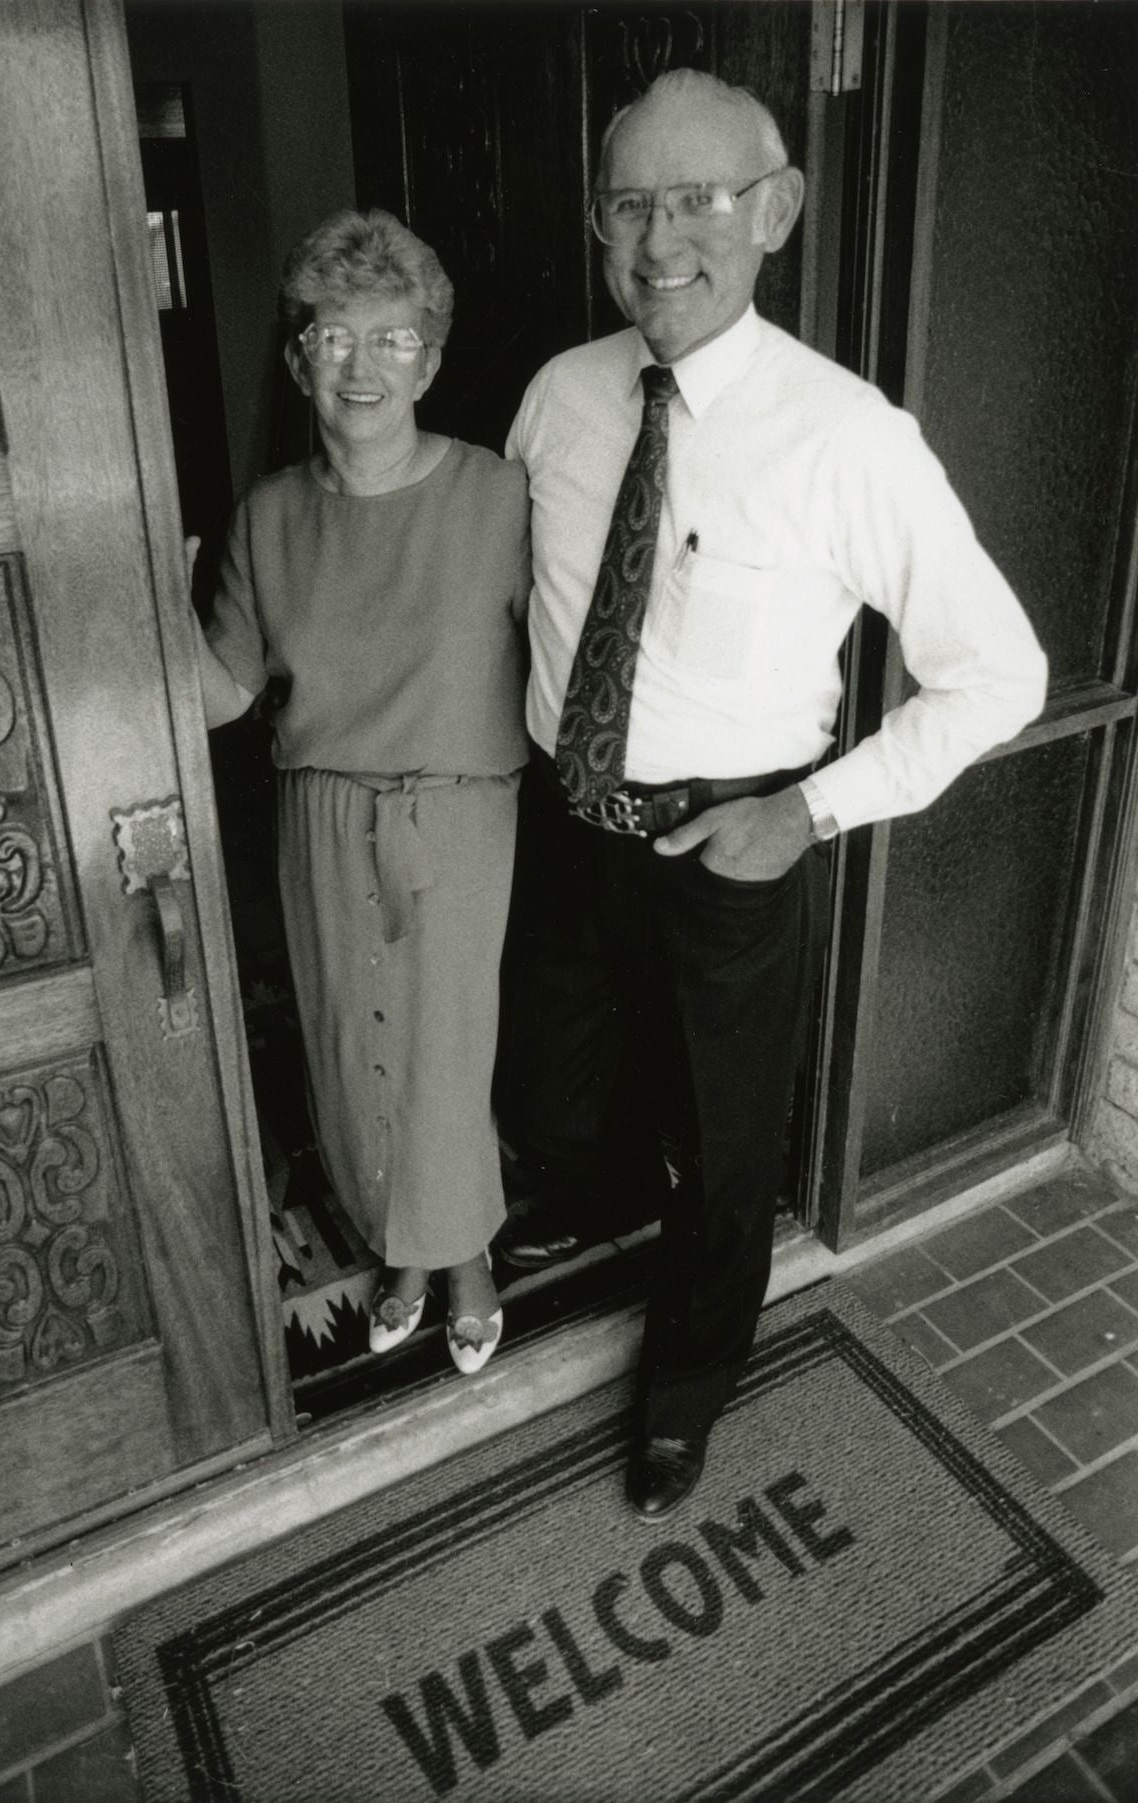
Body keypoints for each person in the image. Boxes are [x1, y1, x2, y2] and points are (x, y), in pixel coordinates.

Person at [499, 69, 1047, 1516]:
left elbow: (1003, 672)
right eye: (630, 204)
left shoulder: (849, 435)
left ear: (777, 212)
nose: (659, 239)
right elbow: (505, 596)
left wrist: (805, 813)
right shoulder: (559, 394)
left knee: (730, 1150)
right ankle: (616, 1198)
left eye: (700, 201)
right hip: (566, 825)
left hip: (733, 846)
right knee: (551, 1099)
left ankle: (685, 1390)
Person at [193, 207, 530, 1375]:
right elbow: (225, 689)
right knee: (349, 1051)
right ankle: (403, 1251)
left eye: (393, 340)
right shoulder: (268, 517)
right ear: (300, 360)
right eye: (335, 337)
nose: (363, 366)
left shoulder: (500, 496)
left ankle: (468, 1258)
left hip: (457, 809)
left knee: (444, 1052)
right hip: (320, 816)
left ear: (430, 360)